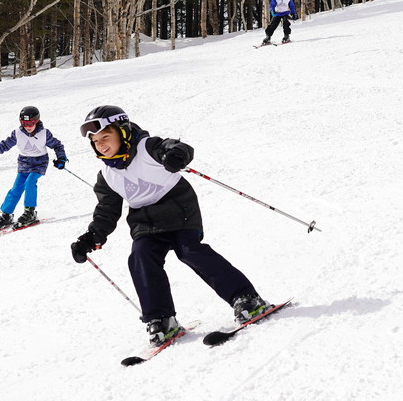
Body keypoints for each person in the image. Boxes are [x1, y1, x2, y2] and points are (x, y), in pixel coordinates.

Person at [69, 105, 270, 347]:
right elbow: (106, 211)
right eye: (95, 141)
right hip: (145, 222)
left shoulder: (147, 147)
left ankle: (246, 298)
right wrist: (92, 236)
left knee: (189, 251)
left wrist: (176, 155)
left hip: (179, 210)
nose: (100, 144)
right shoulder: (107, 175)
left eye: (105, 137)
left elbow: (177, 146)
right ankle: (162, 320)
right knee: (140, 257)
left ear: (122, 132)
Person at [0, 105, 67, 231]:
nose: (27, 126)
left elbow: (57, 146)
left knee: (30, 182)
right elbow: (4, 145)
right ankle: (6, 214)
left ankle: (30, 212)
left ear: (37, 121)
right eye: (24, 123)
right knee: (16, 188)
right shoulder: (17, 133)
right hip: (24, 163)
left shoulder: (44, 134)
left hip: (39, 163)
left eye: (31, 123)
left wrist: (61, 158)